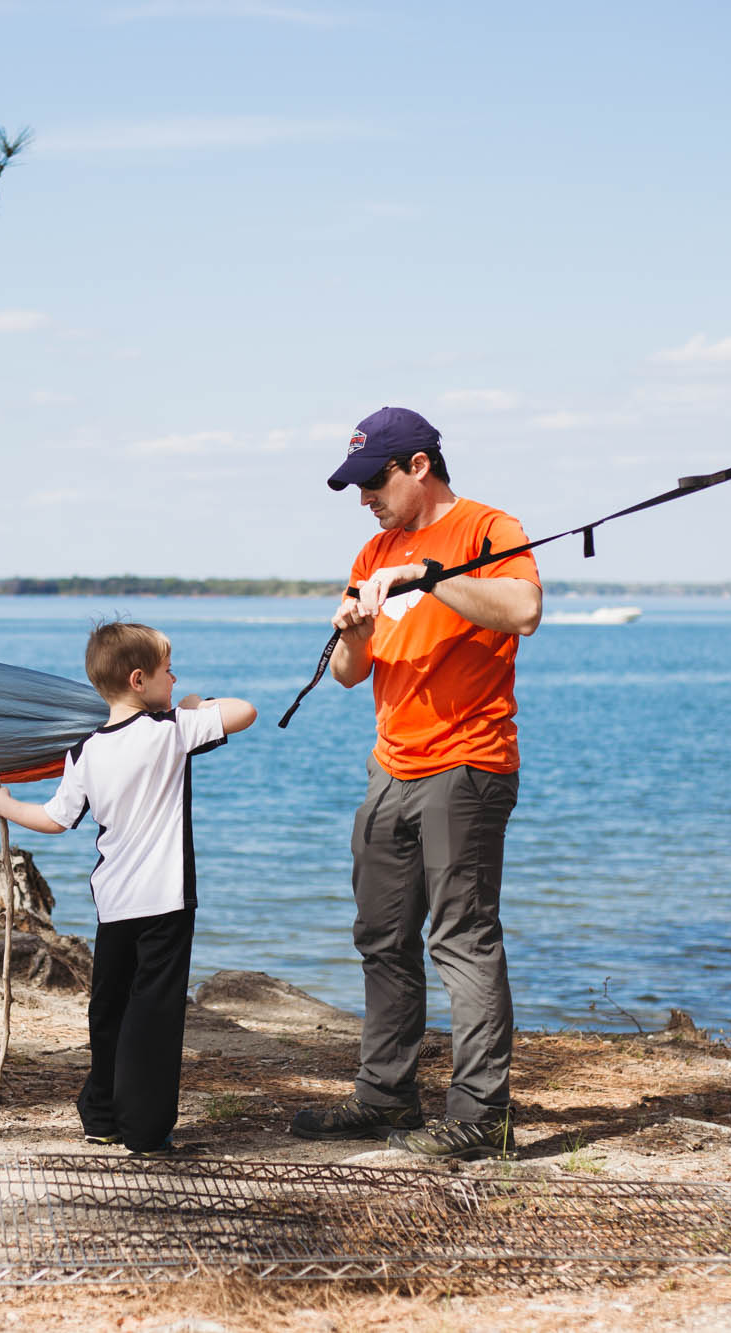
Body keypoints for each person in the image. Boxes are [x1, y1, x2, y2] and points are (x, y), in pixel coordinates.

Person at [289, 406, 542, 1160]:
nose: (365, 496)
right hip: (390, 766)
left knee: (462, 939)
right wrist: (354, 632)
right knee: (381, 937)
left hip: (467, 764)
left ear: (419, 467)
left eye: (375, 480)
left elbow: (524, 610)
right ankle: (386, 1094)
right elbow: (345, 674)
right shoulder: (374, 550)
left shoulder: (488, 529)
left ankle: (478, 1114)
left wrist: (429, 578)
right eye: (357, 484)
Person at [0, 621, 256, 1153]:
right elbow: (245, 711)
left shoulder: (84, 751)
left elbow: (56, 818)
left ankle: (102, 1115)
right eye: (168, 671)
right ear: (139, 680)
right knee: (153, 1013)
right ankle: (145, 1128)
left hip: (113, 902)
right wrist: (201, 704)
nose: (176, 679)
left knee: (109, 1010)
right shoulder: (172, 730)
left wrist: (4, 806)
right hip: (167, 900)